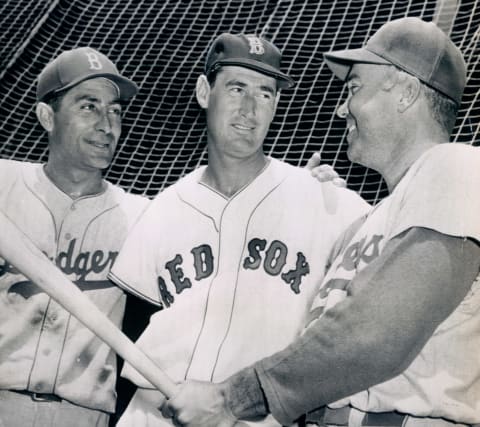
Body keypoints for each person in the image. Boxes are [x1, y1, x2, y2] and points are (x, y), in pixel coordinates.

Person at [161, 17, 480, 427]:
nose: (340, 107)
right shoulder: (367, 222)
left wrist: (232, 397)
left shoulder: (460, 167)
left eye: (353, 89)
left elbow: (377, 334)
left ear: (405, 93)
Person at [108, 33, 370, 426]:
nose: (249, 108)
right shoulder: (162, 209)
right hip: (154, 414)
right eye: (236, 88)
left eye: (265, 93)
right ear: (203, 91)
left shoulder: (322, 201)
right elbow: (134, 323)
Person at [0, 47, 152, 427]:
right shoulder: (4, 184)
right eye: (88, 107)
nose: (107, 124)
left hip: (82, 414)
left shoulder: (142, 215)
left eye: (114, 111)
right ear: (47, 116)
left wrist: (309, 192)